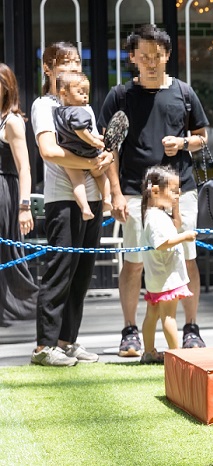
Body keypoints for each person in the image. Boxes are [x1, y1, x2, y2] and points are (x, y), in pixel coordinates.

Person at [99, 24, 209, 357]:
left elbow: (203, 135)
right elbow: (110, 149)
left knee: (187, 258)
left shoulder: (183, 93)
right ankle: (130, 331)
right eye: (144, 56)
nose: (150, 62)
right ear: (132, 57)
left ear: (167, 56)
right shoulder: (120, 96)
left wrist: (184, 142)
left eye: (157, 56)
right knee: (133, 262)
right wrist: (115, 193)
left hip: (180, 191)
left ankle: (191, 329)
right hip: (135, 192)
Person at [30, 42, 113, 366]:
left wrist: (104, 159)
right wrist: (89, 163)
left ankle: (67, 341)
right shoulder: (44, 105)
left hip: (92, 197)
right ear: (48, 69)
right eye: (65, 63)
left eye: (77, 62)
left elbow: (98, 144)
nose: (73, 68)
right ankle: (43, 346)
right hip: (63, 198)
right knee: (59, 271)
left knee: (81, 274)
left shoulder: (85, 104)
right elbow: (49, 151)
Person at [139, 166, 197, 363]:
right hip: (166, 277)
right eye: (173, 190)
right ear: (155, 191)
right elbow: (162, 244)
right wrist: (185, 237)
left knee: (152, 315)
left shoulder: (155, 214)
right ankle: (177, 354)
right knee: (169, 317)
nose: (177, 194)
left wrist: (175, 207)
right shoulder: (155, 218)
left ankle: (148, 351)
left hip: (158, 278)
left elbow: (175, 225)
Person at [0, 62, 39, 326]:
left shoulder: (12, 121)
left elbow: (25, 167)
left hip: (4, 189)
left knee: (8, 254)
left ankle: (38, 305)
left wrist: (25, 206)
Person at [53, 71, 111, 221]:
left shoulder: (59, 112)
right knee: (100, 175)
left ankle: (84, 208)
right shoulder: (79, 111)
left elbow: (72, 133)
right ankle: (107, 199)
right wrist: (94, 141)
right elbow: (81, 131)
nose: (85, 96)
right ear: (64, 93)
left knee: (78, 182)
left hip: (70, 156)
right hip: (87, 152)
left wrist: (95, 137)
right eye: (80, 92)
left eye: (86, 92)